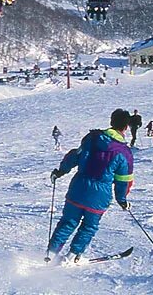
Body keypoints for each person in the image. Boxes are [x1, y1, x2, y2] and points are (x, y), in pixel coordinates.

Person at [46, 108, 135, 265]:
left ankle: (51, 254)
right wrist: (122, 200)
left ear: (111, 122)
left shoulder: (92, 138)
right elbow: (124, 180)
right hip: (99, 197)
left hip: (77, 190)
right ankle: (73, 255)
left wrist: (61, 171)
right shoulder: (124, 153)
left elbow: (75, 156)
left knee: (68, 222)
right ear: (126, 127)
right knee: (89, 226)